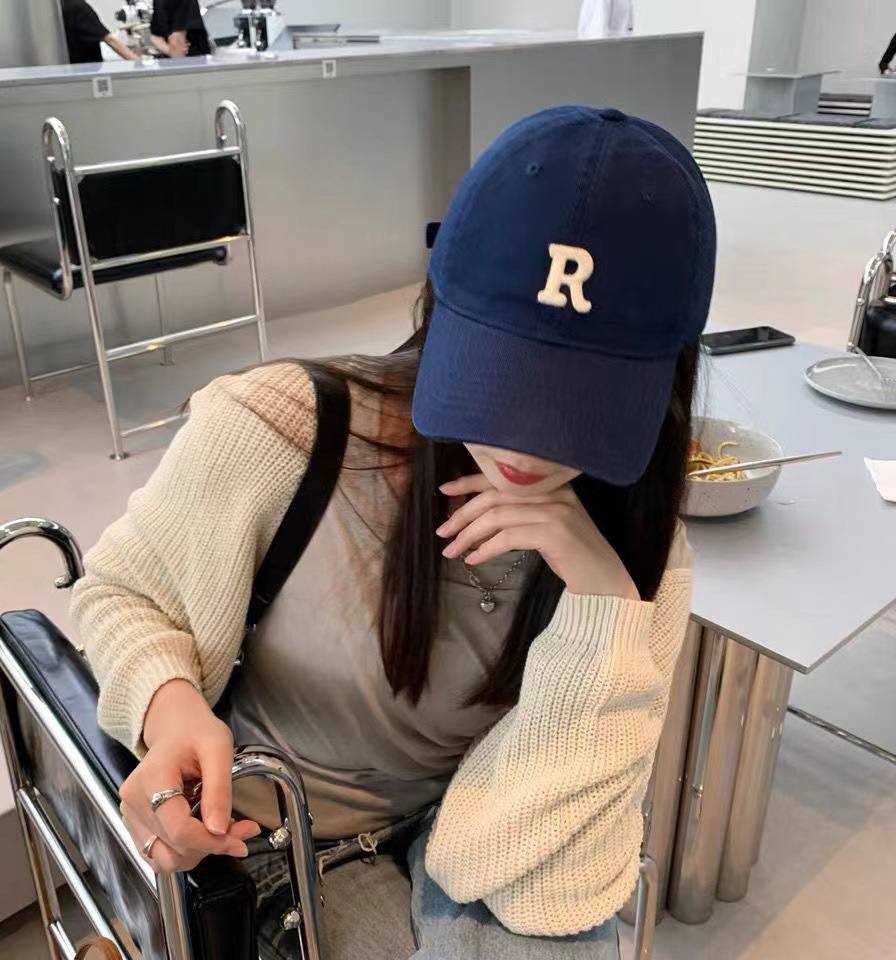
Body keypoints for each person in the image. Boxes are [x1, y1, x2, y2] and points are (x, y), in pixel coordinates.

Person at [71, 105, 716, 959]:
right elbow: (118, 590)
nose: (525, 447)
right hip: (269, 846)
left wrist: (602, 604)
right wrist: (169, 707)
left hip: (462, 834)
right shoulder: (285, 432)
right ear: (441, 311)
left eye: (579, 401)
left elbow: (541, 880)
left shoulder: (642, 561)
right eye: (503, 376)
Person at [61, 0, 139, 63]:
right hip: (88, 71)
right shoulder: (79, 7)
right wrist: (138, 62)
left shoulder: (60, 6)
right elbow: (109, 39)